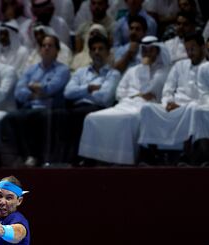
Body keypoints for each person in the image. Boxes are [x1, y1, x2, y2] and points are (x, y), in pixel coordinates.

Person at [78, 35, 171, 165]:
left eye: (151, 50)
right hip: (126, 104)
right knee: (91, 117)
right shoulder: (133, 70)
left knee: (128, 119)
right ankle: (93, 157)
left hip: (147, 108)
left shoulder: (164, 71)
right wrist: (136, 95)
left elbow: (150, 92)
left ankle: (123, 160)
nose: (147, 53)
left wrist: (145, 71)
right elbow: (119, 92)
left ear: (158, 50)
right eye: (144, 50)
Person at [0, 35, 70, 167]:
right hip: (30, 107)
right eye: (44, 46)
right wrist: (36, 93)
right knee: (8, 118)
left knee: (36, 117)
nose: (46, 48)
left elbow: (51, 88)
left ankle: (33, 156)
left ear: (57, 51)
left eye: (50, 46)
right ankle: (12, 158)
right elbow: (19, 93)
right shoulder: (31, 70)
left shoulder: (62, 70)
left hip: (50, 109)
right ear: (40, 50)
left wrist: (36, 89)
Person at [138, 32, 206, 164]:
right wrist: (168, 103)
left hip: (192, 108)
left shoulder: (207, 67)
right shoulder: (180, 65)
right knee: (147, 108)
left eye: (193, 49)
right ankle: (150, 155)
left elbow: (205, 96)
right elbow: (168, 89)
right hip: (174, 107)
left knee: (195, 110)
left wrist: (182, 106)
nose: (189, 53)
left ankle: (189, 157)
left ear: (202, 47)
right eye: (187, 50)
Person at [57, 34, 121, 165]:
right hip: (76, 107)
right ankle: (58, 159)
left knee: (79, 115)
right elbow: (68, 92)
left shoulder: (113, 74)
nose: (97, 52)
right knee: (57, 115)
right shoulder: (81, 72)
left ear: (108, 52)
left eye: (101, 49)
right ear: (90, 53)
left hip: (99, 109)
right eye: (94, 49)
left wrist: (80, 91)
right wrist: (88, 88)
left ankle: (78, 159)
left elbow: (105, 98)